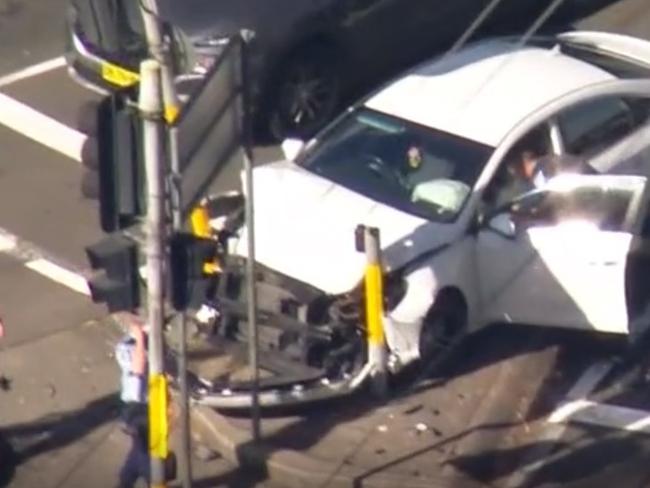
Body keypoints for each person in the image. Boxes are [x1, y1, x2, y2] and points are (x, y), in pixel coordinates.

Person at [115, 316, 149, 488]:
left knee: (140, 448)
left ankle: (126, 479)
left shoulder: (126, 345)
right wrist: (141, 340)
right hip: (138, 408)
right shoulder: (130, 349)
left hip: (135, 406)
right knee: (148, 451)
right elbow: (138, 369)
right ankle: (152, 477)